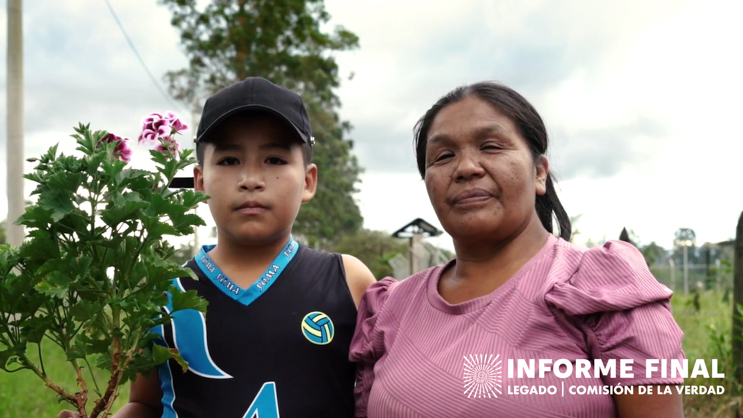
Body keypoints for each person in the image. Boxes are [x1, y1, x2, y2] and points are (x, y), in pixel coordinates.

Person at [349, 81, 685, 417]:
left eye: (491, 146)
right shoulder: (392, 308)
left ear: (539, 173)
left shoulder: (601, 291)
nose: (466, 168)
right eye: (444, 156)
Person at [61, 77, 376, 418]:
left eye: (274, 159)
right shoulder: (161, 291)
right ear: (199, 182)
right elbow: (146, 404)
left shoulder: (349, 281)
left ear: (309, 180)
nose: (250, 179)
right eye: (228, 161)